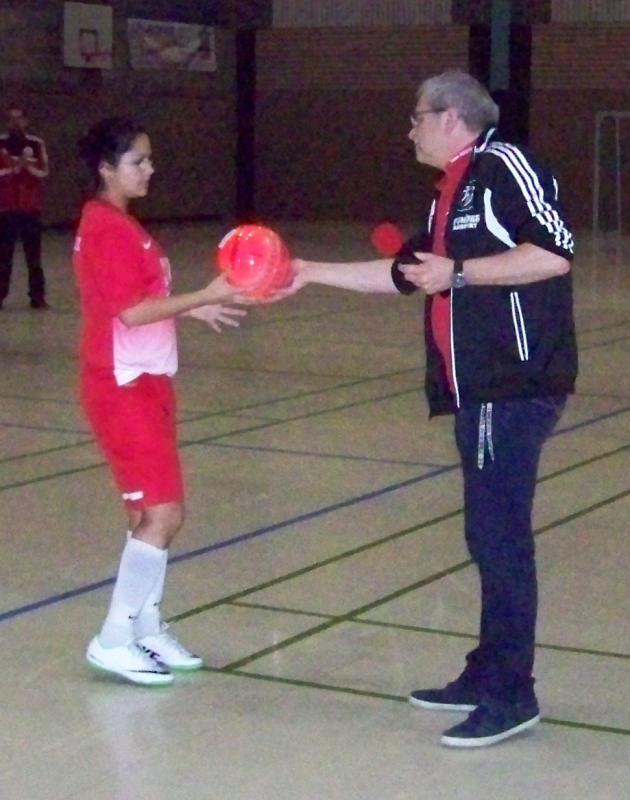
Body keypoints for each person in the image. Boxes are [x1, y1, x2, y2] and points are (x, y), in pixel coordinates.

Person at [290, 69, 577, 747]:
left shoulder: (504, 166)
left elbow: (554, 253)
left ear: (451, 117)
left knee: (499, 538)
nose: (410, 129)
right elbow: (405, 274)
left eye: (417, 117)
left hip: (512, 382)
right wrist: (309, 272)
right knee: (485, 535)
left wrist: (461, 272)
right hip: (473, 389)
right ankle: (487, 673)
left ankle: (512, 694)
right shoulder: (448, 189)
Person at [74, 117, 251, 686]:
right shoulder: (106, 228)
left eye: (149, 159)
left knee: (145, 515)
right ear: (106, 168)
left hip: (148, 380)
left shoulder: (124, 224)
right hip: (120, 384)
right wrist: (203, 294)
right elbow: (128, 313)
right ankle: (112, 639)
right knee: (163, 515)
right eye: (138, 161)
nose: (150, 169)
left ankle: (145, 627)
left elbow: (141, 299)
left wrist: (195, 308)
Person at [0, 105, 50, 310]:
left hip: (30, 208)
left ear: (26, 121)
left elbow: (44, 172)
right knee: (3, 256)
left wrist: (27, 166)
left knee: (34, 256)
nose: (16, 123)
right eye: (11, 119)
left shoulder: (36, 143)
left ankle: (37, 297)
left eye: (19, 118)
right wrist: (15, 168)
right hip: (6, 208)